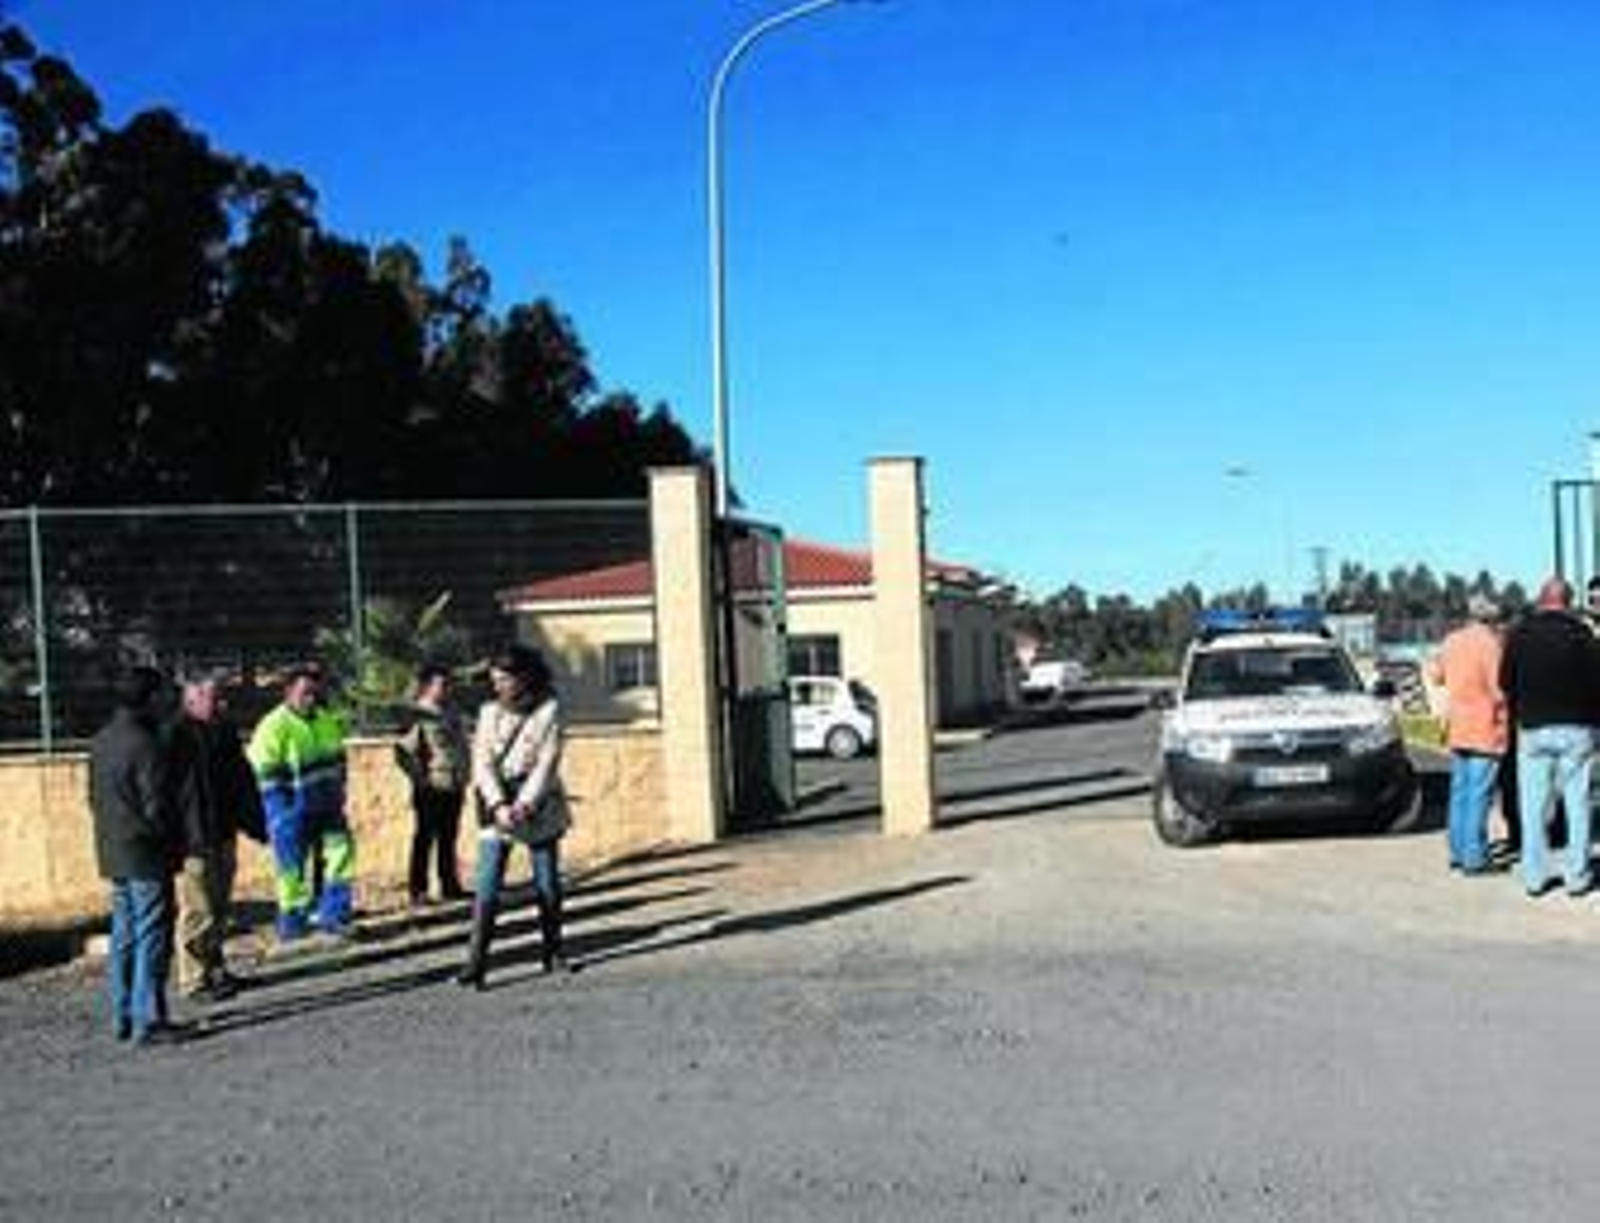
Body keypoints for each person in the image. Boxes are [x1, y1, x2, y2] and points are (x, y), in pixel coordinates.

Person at [459, 644, 573, 989]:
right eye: (494, 680)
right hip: (497, 802)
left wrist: (524, 805)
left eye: (504, 679)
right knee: (487, 883)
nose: (498, 686)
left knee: (547, 882)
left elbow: (547, 762)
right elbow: (481, 763)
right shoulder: (488, 712)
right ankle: (476, 962)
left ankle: (553, 952)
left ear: (524, 677)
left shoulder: (549, 710)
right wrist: (498, 805)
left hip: (537, 802)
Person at [89, 665, 184, 1045]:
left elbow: (93, 799)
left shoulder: (101, 740)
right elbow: (156, 806)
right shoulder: (146, 744)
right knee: (151, 934)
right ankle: (150, 1019)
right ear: (149, 699)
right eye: (161, 694)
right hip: (146, 851)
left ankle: (123, 1015)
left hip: (113, 848)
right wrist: (172, 843)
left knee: (124, 934)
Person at [1498, 576, 1600, 898]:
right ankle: (1577, 876)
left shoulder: (1520, 634)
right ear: (1568, 602)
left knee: (1533, 806)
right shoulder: (1582, 635)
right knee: (1578, 803)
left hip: (1533, 728)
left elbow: (1505, 681)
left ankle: (1535, 875)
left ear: (1541, 599)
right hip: (1577, 728)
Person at [169, 671, 266, 1000]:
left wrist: (255, 823)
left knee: (220, 909)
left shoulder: (223, 730)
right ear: (191, 698)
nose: (221, 703)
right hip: (192, 838)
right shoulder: (174, 735)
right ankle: (193, 979)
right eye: (214, 697)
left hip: (223, 831)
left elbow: (242, 780)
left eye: (222, 697)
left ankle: (215, 969)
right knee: (198, 911)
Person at [247, 663, 357, 942]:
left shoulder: (325, 719)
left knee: (341, 854)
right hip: (291, 810)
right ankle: (293, 922)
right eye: (304, 692)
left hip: (328, 805)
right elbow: (264, 772)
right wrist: (282, 812)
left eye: (314, 692)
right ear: (288, 692)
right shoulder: (273, 725)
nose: (311, 698)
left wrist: (340, 792)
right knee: (292, 868)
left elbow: (339, 760)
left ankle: (334, 914)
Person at [1428, 594, 1508, 875]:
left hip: (1457, 723)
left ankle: (1457, 851)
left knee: (1459, 791)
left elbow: (1436, 676)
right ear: (1491, 618)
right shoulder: (1491, 644)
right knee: (1479, 793)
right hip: (1485, 725)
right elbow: (1499, 689)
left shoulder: (1451, 640)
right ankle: (1474, 857)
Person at [393, 663, 470, 906]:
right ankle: (418, 890)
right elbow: (403, 753)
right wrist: (421, 780)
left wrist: (464, 776)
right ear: (427, 686)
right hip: (431, 786)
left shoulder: (452, 711)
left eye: (449, 684)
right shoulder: (416, 714)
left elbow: (460, 746)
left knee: (449, 837)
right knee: (424, 838)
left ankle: (450, 885)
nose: (447, 688)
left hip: (454, 784)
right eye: (442, 684)